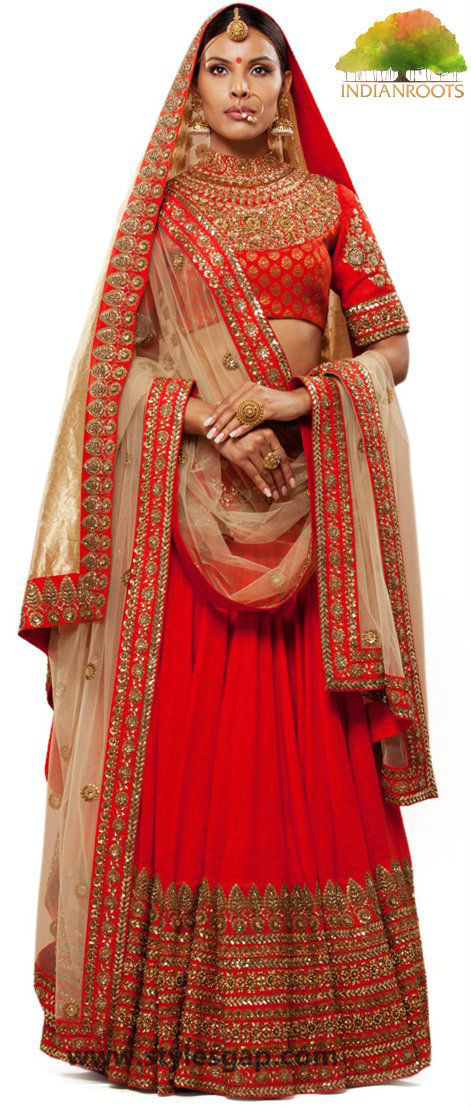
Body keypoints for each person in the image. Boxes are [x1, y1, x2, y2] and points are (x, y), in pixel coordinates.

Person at [19, 3, 439, 1098]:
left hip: (308, 509)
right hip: (183, 523)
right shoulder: (162, 215)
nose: (241, 86)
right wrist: (205, 418)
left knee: (309, 751)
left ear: (286, 85)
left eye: (260, 67)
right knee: (188, 750)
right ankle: (166, 1019)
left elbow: (392, 347)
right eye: (221, 68)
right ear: (193, 88)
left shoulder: (328, 204)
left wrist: (302, 399)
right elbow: (114, 367)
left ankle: (327, 1021)